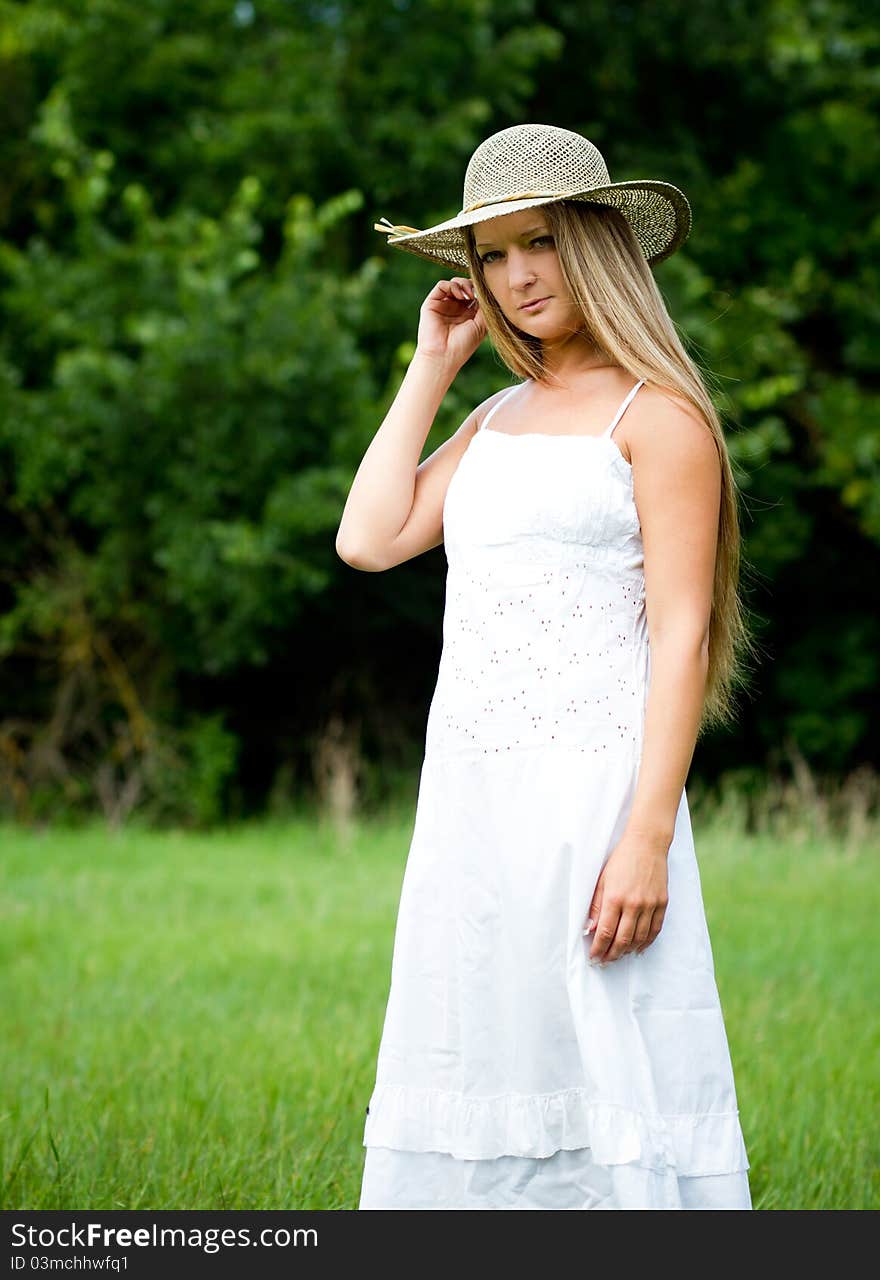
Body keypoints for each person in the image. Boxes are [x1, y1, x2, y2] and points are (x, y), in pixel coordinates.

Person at [337, 123, 755, 1210]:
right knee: (483, 1027)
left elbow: (680, 635)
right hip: (474, 792)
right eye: (492, 254)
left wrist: (647, 836)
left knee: (604, 1040)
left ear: (599, 245)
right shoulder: (493, 417)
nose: (516, 275)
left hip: (595, 794)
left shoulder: (655, 417)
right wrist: (433, 367)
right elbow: (369, 537)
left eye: (540, 243)